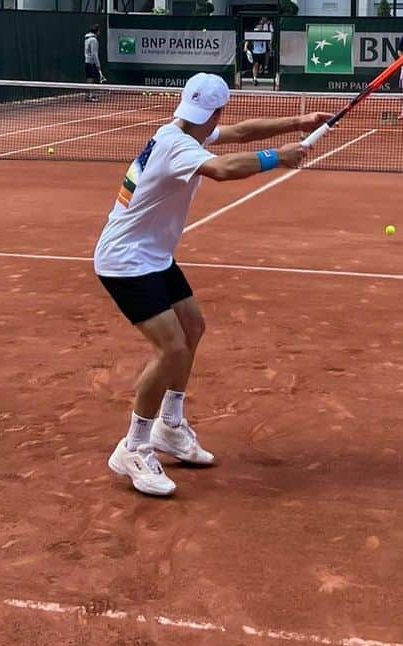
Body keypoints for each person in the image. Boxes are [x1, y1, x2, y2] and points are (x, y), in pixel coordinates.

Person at [93, 74, 330, 497]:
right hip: (125, 261)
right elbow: (220, 168)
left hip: (152, 256)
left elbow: (239, 132)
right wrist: (279, 157)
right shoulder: (177, 144)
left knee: (194, 327)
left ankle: (169, 425)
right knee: (171, 348)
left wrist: (299, 120)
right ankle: (132, 446)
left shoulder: (181, 128)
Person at [84, 26, 105, 92]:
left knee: (89, 78)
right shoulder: (93, 40)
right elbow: (94, 53)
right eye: (99, 31)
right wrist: (98, 64)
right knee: (90, 78)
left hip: (87, 61)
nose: (100, 32)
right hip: (91, 62)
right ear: (97, 31)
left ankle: (89, 94)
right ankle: (90, 95)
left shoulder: (87, 39)